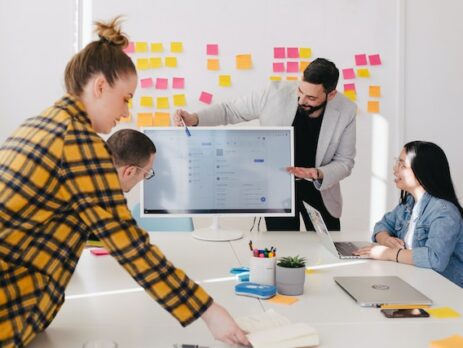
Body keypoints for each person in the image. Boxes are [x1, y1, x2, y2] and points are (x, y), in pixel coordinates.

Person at [0, 17, 249, 347]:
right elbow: (130, 246)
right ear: (100, 87)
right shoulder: (77, 142)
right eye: (126, 99)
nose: (125, 113)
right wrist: (209, 311)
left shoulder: (41, 123)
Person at [175, 58, 356, 231]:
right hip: (277, 188)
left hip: (319, 189)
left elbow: (345, 161)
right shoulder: (274, 92)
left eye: (311, 98)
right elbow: (230, 111)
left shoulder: (346, 110)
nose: (301, 100)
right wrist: (195, 119)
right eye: (300, 92)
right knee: (283, 252)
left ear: (330, 94)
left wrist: (317, 173)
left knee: (328, 251)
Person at [354, 141, 463, 287]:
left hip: (445, 290)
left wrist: (387, 253)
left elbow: (434, 258)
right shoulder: (409, 203)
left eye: (402, 165)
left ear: (423, 172)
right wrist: (386, 239)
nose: (395, 169)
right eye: (397, 163)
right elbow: (382, 225)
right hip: (417, 281)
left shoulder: (444, 212)